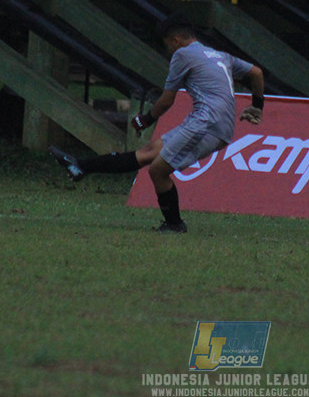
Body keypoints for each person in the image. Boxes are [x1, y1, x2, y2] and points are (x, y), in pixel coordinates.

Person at [50, 12, 264, 233]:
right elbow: (257, 73)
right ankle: (81, 166)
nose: (168, 50)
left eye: (167, 45)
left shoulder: (182, 54)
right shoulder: (219, 55)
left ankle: (174, 224)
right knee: (148, 153)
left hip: (206, 122)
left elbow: (166, 100)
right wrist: (257, 106)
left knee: (158, 171)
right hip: (212, 123)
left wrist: (146, 119)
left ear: (175, 40)